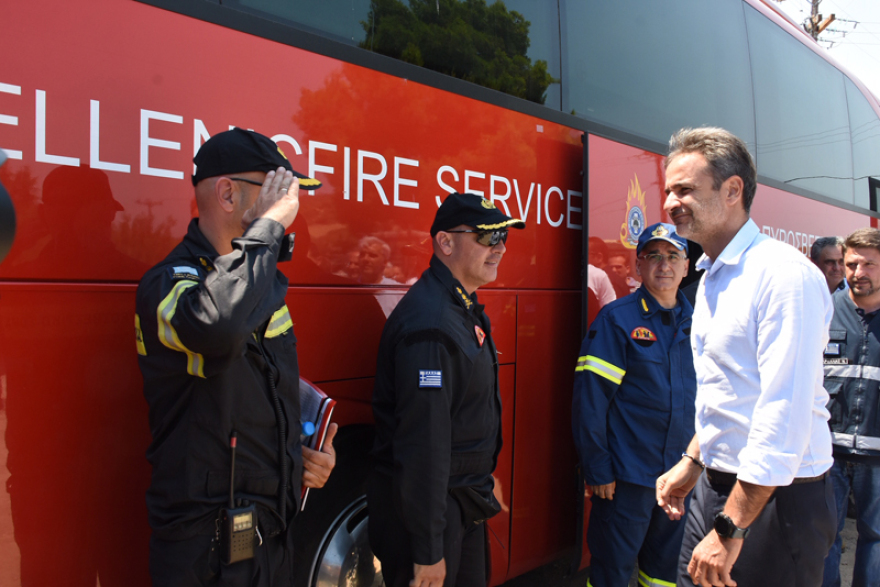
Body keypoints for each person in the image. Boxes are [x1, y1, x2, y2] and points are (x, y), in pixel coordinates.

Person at [135, 128, 337, 587]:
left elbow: (264, 387)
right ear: (227, 194)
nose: (288, 206)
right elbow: (218, 329)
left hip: (270, 533)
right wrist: (268, 229)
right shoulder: (168, 283)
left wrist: (306, 455)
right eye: (275, 189)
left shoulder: (257, 280)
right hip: (207, 549)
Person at [655, 127, 836, 587]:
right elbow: (733, 393)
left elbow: (783, 412)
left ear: (732, 190)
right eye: (669, 190)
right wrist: (694, 460)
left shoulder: (783, 276)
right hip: (718, 487)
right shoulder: (712, 275)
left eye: (684, 189)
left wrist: (731, 528)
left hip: (775, 502)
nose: (670, 202)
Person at [368, 192, 524, 587]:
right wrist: (428, 549)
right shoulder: (432, 323)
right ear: (446, 242)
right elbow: (424, 444)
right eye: (488, 237)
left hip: (458, 503)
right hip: (431, 515)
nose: (500, 248)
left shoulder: (458, 307)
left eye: (503, 236)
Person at [573, 222, 696, 587]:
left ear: (686, 266)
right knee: (611, 574)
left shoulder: (701, 323)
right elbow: (590, 401)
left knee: (664, 577)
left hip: (680, 477)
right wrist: (598, 468)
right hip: (628, 480)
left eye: (673, 255)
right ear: (638, 265)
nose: (664, 265)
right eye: (653, 256)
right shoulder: (617, 319)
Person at [821, 228, 880, 587]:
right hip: (828, 451)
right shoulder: (824, 311)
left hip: (877, 455)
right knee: (825, 536)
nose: (859, 273)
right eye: (853, 264)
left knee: (876, 538)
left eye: (869, 264)